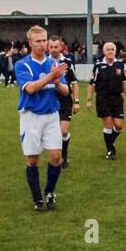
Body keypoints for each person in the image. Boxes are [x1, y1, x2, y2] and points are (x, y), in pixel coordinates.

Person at [14, 26, 69, 212]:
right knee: (32, 159)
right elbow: (30, 89)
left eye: (44, 40)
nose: (42, 44)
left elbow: (65, 90)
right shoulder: (22, 64)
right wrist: (52, 77)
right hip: (31, 117)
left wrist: (57, 83)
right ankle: (37, 198)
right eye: (37, 41)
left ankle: (50, 192)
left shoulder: (54, 63)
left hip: (52, 115)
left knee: (55, 156)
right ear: (30, 43)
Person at [87, 41, 126, 159]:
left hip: (117, 98)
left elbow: (125, 82)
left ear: (115, 51)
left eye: (112, 49)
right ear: (104, 52)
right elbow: (91, 84)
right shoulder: (98, 65)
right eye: (108, 49)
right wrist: (89, 99)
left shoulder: (120, 65)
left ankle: (110, 142)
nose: (110, 51)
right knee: (108, 122)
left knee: (119, 125)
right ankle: (110, 150)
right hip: (103, 98)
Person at [49, 36, 79, 167]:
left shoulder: (67, 62)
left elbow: (74, 83)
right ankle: (57, 155)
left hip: (65, 100)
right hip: (49, 101)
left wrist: (76, 101)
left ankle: (64, 152)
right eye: (51, 47)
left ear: (61, 47)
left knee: (64, 131)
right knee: (53, 132)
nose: (54, 49)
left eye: (56, 47)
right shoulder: (44, 62)